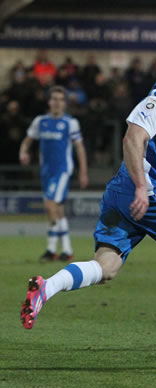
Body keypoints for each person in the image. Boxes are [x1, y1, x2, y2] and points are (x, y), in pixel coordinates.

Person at [20, 42, 156, 347]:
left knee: (106, 267)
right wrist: (143, 188)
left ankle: (46, 288)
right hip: (144, 192)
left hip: (119, 193)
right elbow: (133, 138)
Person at [19, 86, 89, 261]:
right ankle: (64, 250)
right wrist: (23, 152)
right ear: (49, 101)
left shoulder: (70, 123)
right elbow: (27, 141)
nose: (57, 103)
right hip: (46, 172)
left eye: (61, 99)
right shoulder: (40, 121)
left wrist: (83, 172)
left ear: (65, 103)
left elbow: (80, 148)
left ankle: (53, 249)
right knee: (57, 210)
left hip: (62, 171)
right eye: (54, 99)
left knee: (50, 206)